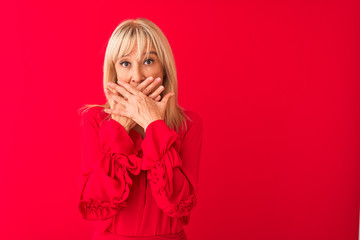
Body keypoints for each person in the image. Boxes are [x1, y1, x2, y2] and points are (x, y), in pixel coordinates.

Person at [77, 18, 203, 240]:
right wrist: (118, 130)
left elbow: (179, 204)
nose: (137, 77)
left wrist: (155, 125)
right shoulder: (95, 120)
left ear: (164, 68)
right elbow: (96, 201)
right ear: (113, 71)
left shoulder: (188, 124)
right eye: (125, 63)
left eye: (148, 61)